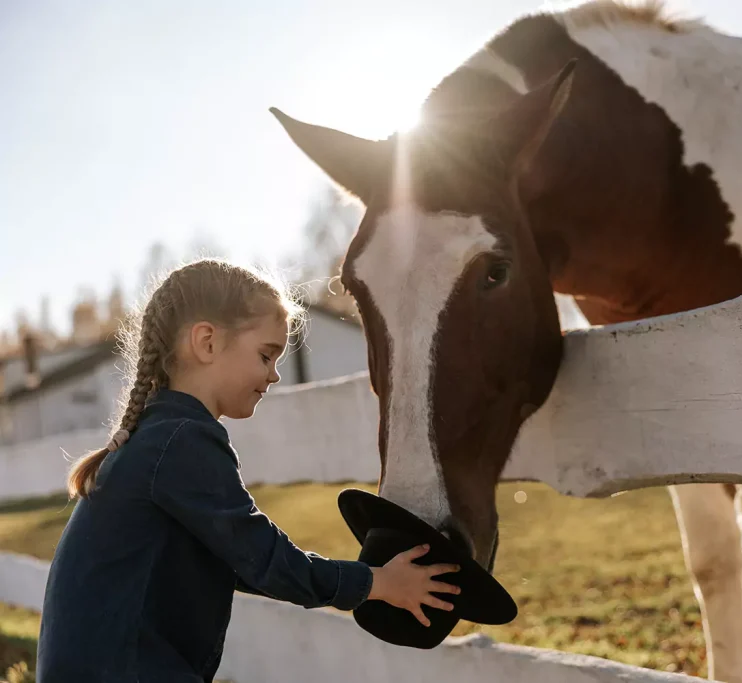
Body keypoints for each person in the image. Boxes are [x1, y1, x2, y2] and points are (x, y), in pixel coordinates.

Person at [35, 258, 460, 682]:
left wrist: (351, 582)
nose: (275, 375)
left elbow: (244, 562)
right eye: (266, 355)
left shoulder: (159, 437)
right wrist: (377, 583)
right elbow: (266, 558)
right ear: (207, 342)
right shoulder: (183, 440)